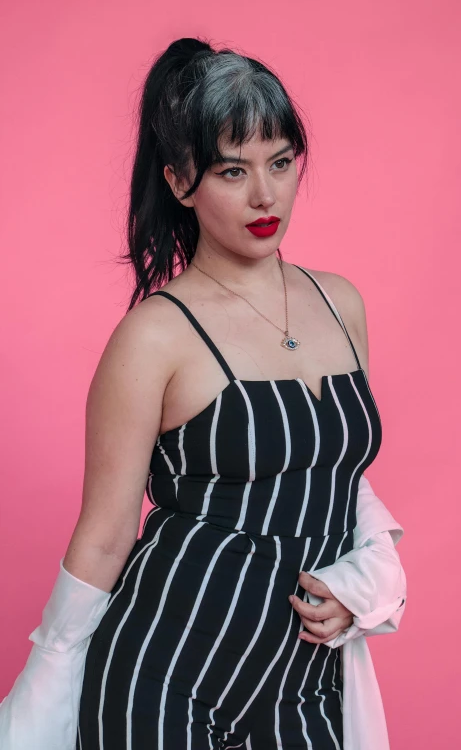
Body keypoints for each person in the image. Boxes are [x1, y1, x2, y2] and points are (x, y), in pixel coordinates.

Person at [0, 37, 407, 750]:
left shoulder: (341, 303)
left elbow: (344, 480)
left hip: (303, 684)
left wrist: (363, 587)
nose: (264, 194)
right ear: (181, 180)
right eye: (232, 170)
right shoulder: (154, 337)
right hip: (165, 680)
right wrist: (39, 698)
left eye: (280, 163)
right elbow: (102, 538)